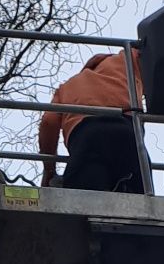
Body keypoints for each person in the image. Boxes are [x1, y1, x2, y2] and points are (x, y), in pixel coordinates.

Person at [38, 48, 145, 193]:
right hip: (128, 136)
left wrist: (49, 170)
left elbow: (48, 122)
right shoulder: (124, 61)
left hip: (87, 139)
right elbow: (149, 51)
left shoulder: (68, 87)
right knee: (140, 206)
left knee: (84, 206)